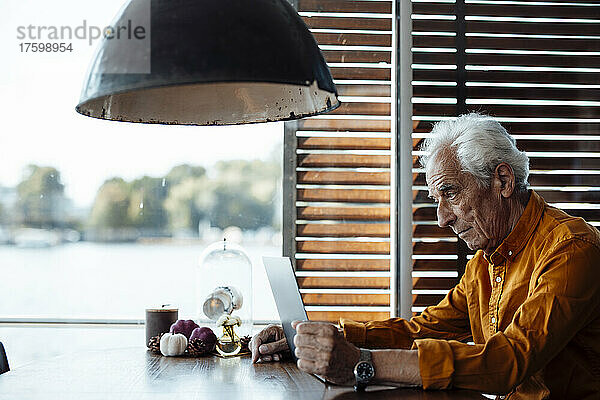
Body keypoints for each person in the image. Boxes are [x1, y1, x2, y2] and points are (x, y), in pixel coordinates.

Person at [250, 113, 600, 399]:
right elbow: (426, 327)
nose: (442, 218)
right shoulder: (487, 258)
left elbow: (509, 359)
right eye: (437, 200)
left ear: (503, 181)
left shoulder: (572, 249)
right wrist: (325, 336)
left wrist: (363, 363)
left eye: (450, 192)